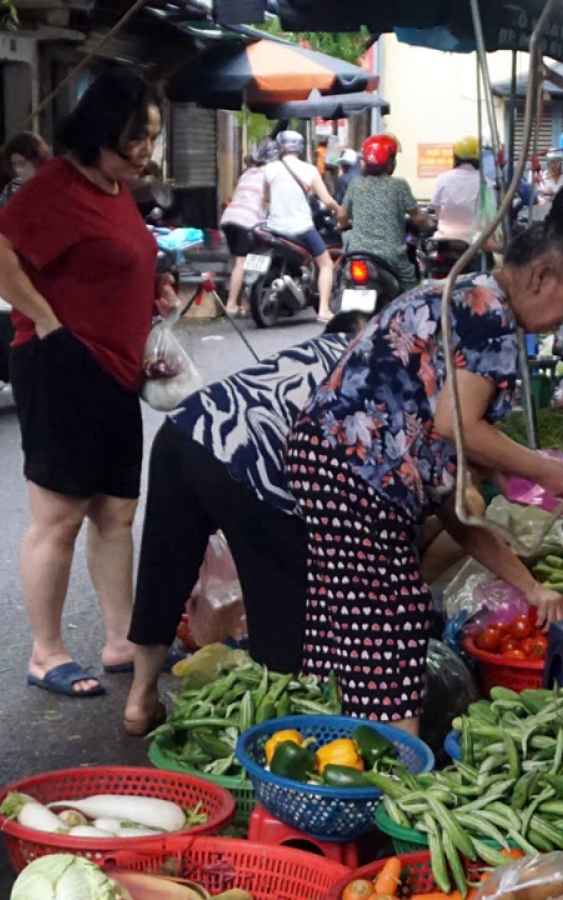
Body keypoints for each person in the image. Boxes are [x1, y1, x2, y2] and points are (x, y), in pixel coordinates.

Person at [287, 187, 563, 737]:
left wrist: (531, 588)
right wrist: (542, 469)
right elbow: (458, 424)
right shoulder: (489, 314)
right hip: (357, 470)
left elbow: (459, 510)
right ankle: (394, 776)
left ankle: (339, 749)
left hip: (329, 459)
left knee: (351, 617)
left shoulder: (466, 294)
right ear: (541, 276)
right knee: (395, 616)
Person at [0, 70, 175, 699]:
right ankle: (45, 652)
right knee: (59, 517)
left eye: (151, 138)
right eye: (136, 137)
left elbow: (112, 264)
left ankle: (120, 641)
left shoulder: (115, 188)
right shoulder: (56, 185)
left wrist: (152, 297)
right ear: (100, 130)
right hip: (61, 364)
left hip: (117, 369)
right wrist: (46, 318)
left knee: (116, 512)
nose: (146, 151)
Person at [124, 312, 370, 734]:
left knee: (163, 570)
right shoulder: (369, 364)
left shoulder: (307, 353)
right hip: (246, 457)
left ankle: (139, 701)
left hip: (185, 427)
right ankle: (277, 721)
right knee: (283, 586)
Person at [264, 130, 343, 320]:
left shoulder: (269, 169)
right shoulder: (310, 170)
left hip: (274, 228)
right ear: (299, 147)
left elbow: (264, 198)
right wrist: (338, 209)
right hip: (302, 228)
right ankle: (323, 309)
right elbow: (326, 199)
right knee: (325, 264)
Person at [337, 134, 430, 290]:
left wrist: (345, 224)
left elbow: (342, 216)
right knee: (411, 286)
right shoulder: (399, 186)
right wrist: (429, 226)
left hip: (358, 255)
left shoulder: (356, 184)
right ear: (390, 162)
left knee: (344, 283)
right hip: (392, 257)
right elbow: (418, 217)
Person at [220, 140, 277, 317]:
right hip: (247, 220)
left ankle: (244, 303)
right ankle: (231, 305)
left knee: (241, 259)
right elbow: (271, 201)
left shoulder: (247, 173)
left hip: (229, 219)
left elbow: (236, 195)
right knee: (241, 262)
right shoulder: (270, 175)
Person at [432, 136, 494, 245]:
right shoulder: (485, 183)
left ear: (455, 157)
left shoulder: (442, 179)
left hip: (444, 241)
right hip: (475, 244)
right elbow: (490, 217)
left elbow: (437, 210)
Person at [0, 131, 51, 210]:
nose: (18, 169)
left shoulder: (53, 184)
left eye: (22, 163)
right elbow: (1, 213)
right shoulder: (11, 187)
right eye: (14, 164)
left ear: (37, 160)